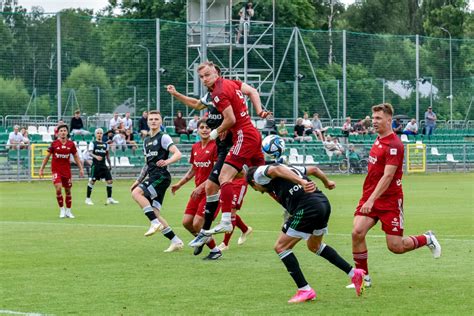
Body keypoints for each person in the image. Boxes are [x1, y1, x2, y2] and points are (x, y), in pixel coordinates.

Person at [166, 61, 268, 249]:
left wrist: (216, 132)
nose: (204, 79)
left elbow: (231, 119)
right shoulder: (225, 88)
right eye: (201, 77)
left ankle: (224, 222)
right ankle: (208, 231)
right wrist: (176, 94)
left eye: (207, 75)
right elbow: (198, 104)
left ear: (217, 73)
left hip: (237, 140)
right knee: (261, 177)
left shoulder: (219, 93)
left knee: (222, 179)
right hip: (241, 138)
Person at [347, 103, 441, 290]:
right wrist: (369, 197)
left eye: (378, 118)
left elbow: (388, 176)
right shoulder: (378, 139)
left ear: (389, 120)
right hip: (370, 196)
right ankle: (363, 278)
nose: (374, 122)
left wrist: (372, 199)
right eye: (373, 118)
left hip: (389, 201)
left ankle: (427, 238)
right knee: (357, 232)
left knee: (396, 247)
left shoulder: (395, 145)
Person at [245, 163, 366, 303]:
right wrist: (327, 182)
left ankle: (305, 289)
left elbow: (275, 169)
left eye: (255, 189)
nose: (259, 191)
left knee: (281, 247)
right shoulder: (288, 168)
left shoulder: (258, 174)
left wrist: (301, 181)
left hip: (307, 207)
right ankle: (354, 273)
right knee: (314, 246)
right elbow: (314, 169)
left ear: (254, 182)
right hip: (322, 203)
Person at [130, 110, 184, 252]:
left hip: (161, 177)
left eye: (156, 119)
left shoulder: (163, 137)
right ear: (147, 122)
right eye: (151, 119)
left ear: (160, 122)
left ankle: (154, 223)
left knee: (136, 194)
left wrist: (167, 161)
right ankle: (175, 241)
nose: (153, 121)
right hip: (153, 176)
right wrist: (138, 180)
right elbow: (147, 164)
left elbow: (178, 154)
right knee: (155, 213)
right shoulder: (146, 141)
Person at [170, 118, 222, 260]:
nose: (205, 130)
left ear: (212, 131)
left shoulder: (216, 146)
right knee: (186, 222)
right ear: (197, 130)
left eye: (208, 128)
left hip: (212, 191)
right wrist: (179, 184)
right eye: (202, 127)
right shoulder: (195, 147)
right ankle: (202, 239)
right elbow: (193, 169)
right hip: (198, 191)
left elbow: (217, 172)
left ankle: (215, 250)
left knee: (197, 223)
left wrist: (201, 186)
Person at [39, 124, 84, 218]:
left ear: (67, 132)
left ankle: (68, 211)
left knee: (68, 191)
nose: (63, 132)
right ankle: (62, 210)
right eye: (61, 131)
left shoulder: (71, 144)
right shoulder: (54, 144)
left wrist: (81, 168)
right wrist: (41, 168)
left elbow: (76, 156)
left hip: (66, 171)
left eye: (64, 130)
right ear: (58, 133)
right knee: (58, 188)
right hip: (56, 171)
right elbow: (47, 157)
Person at [216, 176, 253, 251]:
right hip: (226, 180)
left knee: (231, 211)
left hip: (239, 182)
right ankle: (245, 229)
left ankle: (225, 244)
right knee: (226, 211)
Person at [85, 128, 119, 206]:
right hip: (96, 165)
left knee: (110, 181)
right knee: (92, 181)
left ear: (102, 134)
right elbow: (90, 153)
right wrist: (96, 156)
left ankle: (109, 199)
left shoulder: (105, 144)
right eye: (98, 133)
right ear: (95, 134)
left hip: (103, 165)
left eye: (101, 133)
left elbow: (107, 154)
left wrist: (110, 164)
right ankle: (87, 199)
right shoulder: (93, 143)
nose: (99, 134)